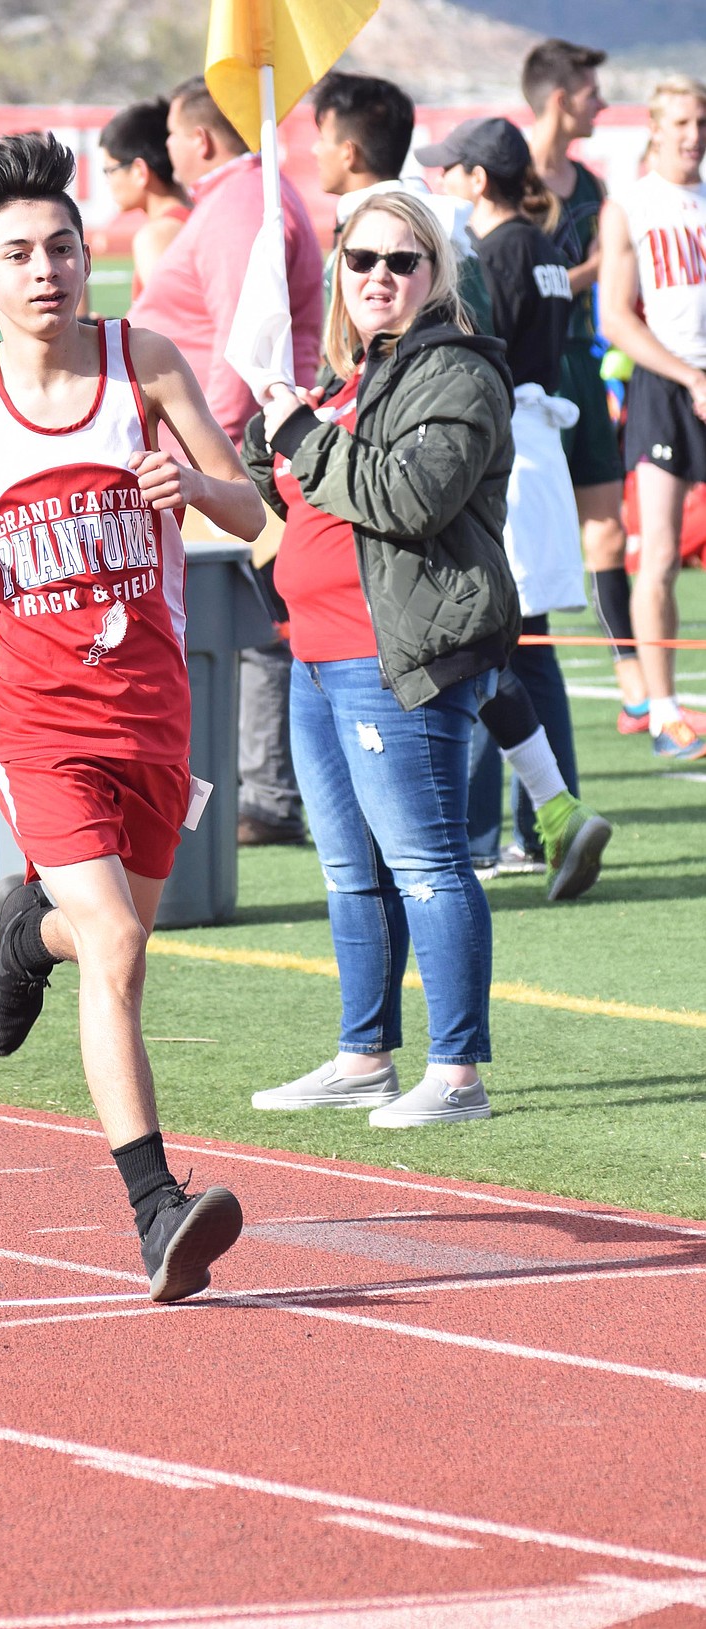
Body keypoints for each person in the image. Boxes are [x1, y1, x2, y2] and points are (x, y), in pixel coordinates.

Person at [0, 132, 263, 1301]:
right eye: (16, 254)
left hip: (152, 710)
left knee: (105, 936)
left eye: (61, 247)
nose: (45, 269)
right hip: (34, 717)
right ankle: (156, 1210)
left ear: (87, 256)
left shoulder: (143, 362)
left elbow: (248, 509)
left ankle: (19, 936)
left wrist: (193, 487)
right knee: (124, 945)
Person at [242, 191, 521, 1127]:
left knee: (428, 865)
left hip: (392, 655)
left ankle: (458, 1077)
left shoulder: (455, 373)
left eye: (402, 262)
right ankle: (364, 1057)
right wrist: (233, 458)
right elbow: (284, 499)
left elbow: (408, 498)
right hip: (314, 655)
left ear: (435, 274)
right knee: (347, 871)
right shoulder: (345, 378)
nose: (379, 278)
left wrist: (300, 437)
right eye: (361, 260)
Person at [129, 75, 325, 847]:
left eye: (174, 135)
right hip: (210, 455)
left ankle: (265, 794)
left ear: (200, 138)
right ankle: (250, 790)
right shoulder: (238, 198)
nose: (169, 149)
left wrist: (226, 461)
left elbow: (244, 346)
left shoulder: (243, 202)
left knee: (244, 622)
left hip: (228, 458)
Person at [419, 116, 612, 891]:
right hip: (539, 444)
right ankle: (539, 823)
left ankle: (498, 832)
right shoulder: (544, 246)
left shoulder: (493, 252)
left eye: (450, 169)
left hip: (510, 448)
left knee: (494, 645)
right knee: (528, 645)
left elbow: (477, 358)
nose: (440, 179)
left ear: (477, 179)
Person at [523, 39, 696, 737]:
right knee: (526, 544)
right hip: (528, 375)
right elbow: (527, 282)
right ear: (562, 99)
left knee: (607, 530)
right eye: (593, 92)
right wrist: (597, 269)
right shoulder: (514, 178)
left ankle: (636, 688)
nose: (602, 103)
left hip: (584, 370)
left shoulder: (590, 186)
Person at [599, 76, 706, 762]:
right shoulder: (629, 206)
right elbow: (612, 316)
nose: (693, 136)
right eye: (681, 124)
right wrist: (688, 375)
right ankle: (663, 710)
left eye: (701, 123)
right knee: (659, 554)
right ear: (657, 130)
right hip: (668, 387)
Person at [311, 70, 493, 335]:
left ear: (348, 153)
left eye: (322, 139)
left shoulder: (404, 232)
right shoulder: (441, 224)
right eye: (362, 260)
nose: (315, 150)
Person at [98, 97, 191, 299]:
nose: (108, 181)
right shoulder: (198, 216)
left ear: (139, 171)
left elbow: (169, 323)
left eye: (110, 170)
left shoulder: (157, 235)